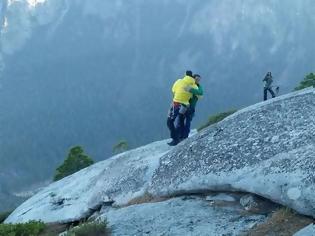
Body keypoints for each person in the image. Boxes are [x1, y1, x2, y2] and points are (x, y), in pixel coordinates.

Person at [167, 70, 198, 146]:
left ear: (185, 75)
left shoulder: (179, 81)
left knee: (170, 121)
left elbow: (173, 90)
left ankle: (175, 138)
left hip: (176, 103)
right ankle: (181, 137)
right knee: (181, 120)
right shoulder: (193, 84)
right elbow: (199, 94)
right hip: (186, 104)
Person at [182, 74, 203, 139]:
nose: (198, 81)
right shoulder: (191, 85)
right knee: (182, 121)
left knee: (187, 121)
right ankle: (182, 136)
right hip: (185, 105)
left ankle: (184, 136)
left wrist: (190, 90)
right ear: (193, 79)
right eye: (196, 79)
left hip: (190, 106)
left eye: (199, 80)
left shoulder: (198, 86)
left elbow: (201, 92)